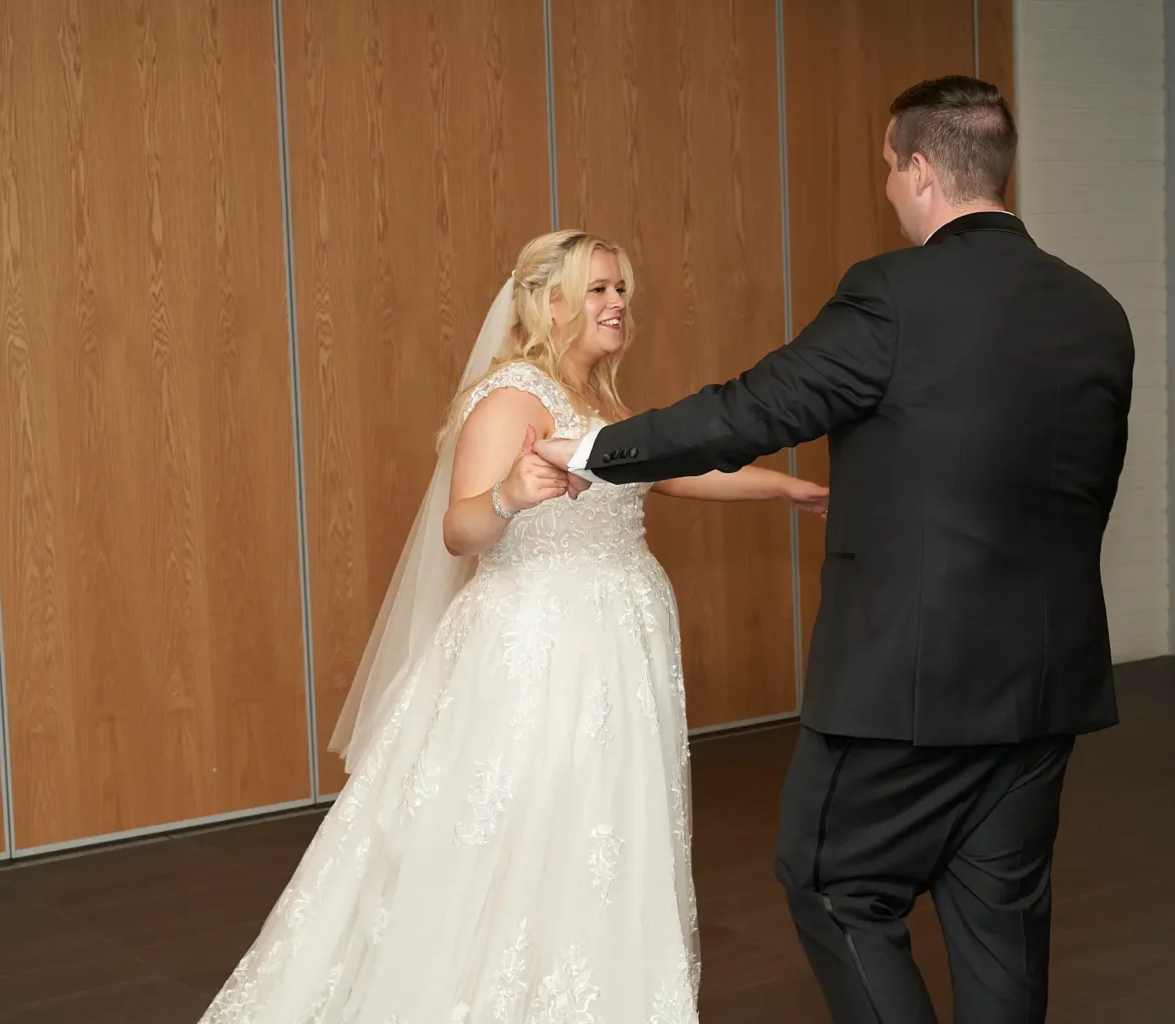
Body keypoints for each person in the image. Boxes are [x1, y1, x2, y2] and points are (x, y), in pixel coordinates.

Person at [535, 76, 1136, 1023]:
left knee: (833, 884)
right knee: (1001, 921)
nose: (888, 188)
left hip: (906, 684)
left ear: (922, 168)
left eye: (889, 169)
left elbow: (753, 409)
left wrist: (597, 448)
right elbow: (1085, 493)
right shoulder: (1097, 311)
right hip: (1044, 679)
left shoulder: (892, 294)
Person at [196, 229, 827, 1023]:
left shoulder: (599, 398)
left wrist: (778, 488)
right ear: (549, 302)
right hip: (545, 646)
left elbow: (667, 471)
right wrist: (509, 497)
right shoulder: (511, 396)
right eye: (598, 289)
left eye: (622, 288)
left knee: (599, 827)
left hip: (615, 641)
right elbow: (460, 528)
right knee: (529, 825)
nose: (618, 303)